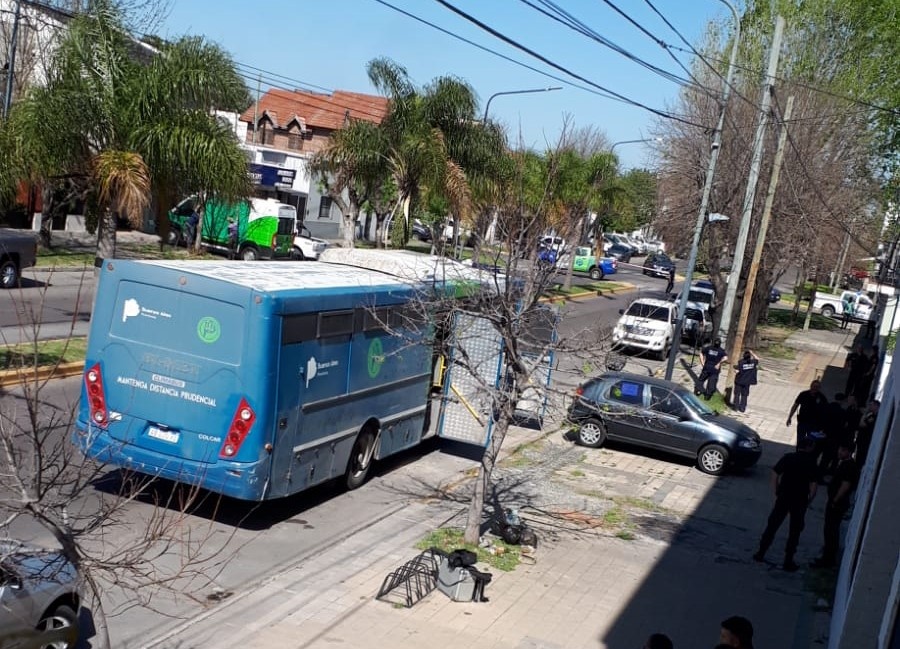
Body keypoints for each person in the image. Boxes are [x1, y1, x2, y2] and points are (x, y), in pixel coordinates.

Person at [754, 435, 819, 572]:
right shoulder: (811, 463)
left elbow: (775, 473)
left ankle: (761, 552)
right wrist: (809, 501)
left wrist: (776, 489)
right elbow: (813, 487)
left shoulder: (788, 457)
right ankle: (788, 561)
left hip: (784, 496)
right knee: (795, 531)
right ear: (809, 448)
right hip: (800, 500)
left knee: (772, 525)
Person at [811, 441, 859, 568]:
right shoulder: (844, 463)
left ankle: (828, 559)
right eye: (840, 449)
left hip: (837, 503)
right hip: (835, 501)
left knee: (831, 530)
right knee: (829, 530)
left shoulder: (849, 466)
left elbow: (845, 485)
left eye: (843, 450)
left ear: (849, 452)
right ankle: (827, 556)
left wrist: (835, 500)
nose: (839, 452)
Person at [786, 380, 828, 448]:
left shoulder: (822, 398)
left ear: (819, 388)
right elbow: (795, 405)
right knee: (800, 440)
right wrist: (789, 417)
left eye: (817, 387)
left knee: (810, 442)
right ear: (810, 386)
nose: (815, 388)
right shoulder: (803, 394)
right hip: (802, 422)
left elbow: (825, 412)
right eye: (814, 386)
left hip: (814, 424)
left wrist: (822, 427)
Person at [855, 399, 879, 468]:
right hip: (861, 440)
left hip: (865, 441)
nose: (869, 407)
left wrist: (865, 414)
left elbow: (863, 424)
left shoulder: (874, 417)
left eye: (871, 405)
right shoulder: (870, 415)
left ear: (876, 406)